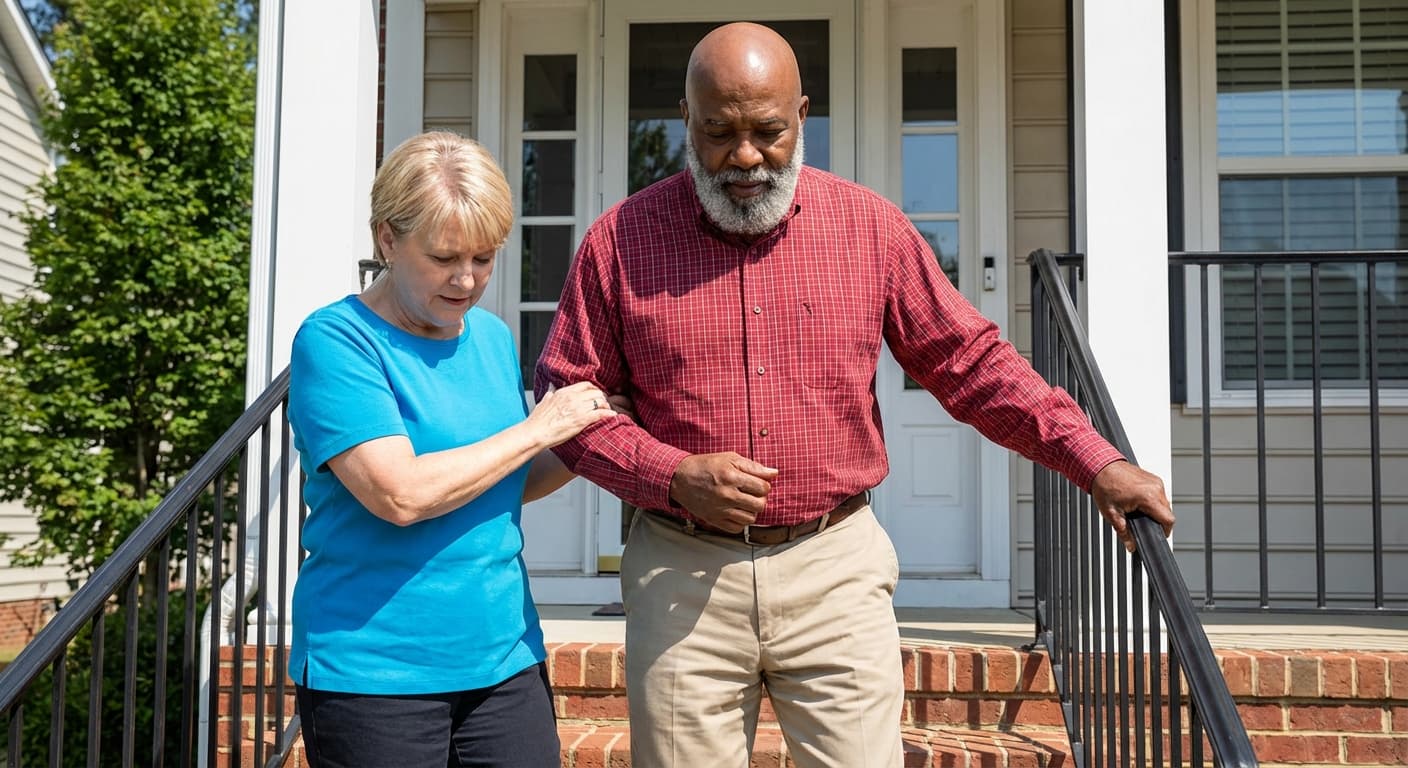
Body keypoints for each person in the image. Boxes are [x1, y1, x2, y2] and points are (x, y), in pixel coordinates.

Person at [533, 22, 1176, 768]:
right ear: (686, 120)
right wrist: (669, 475)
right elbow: (567, 405)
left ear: (803, 116)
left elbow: (971, 363)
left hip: (833, 568)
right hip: (683, 575)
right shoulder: (620, 243)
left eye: (767, 131)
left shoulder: (870, 230)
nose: (744, 156)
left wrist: (1095, 461)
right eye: (718, 132)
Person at [287, 131, 619, 768]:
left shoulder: (490, 338)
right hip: (376, 672)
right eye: (443, 258)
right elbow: (400, 494)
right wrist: (537, 428)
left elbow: (505, 478)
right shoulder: (337, 341)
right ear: (387, 237)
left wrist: (591, 433)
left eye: (484, 258)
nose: (467, 280)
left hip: (504, 657)